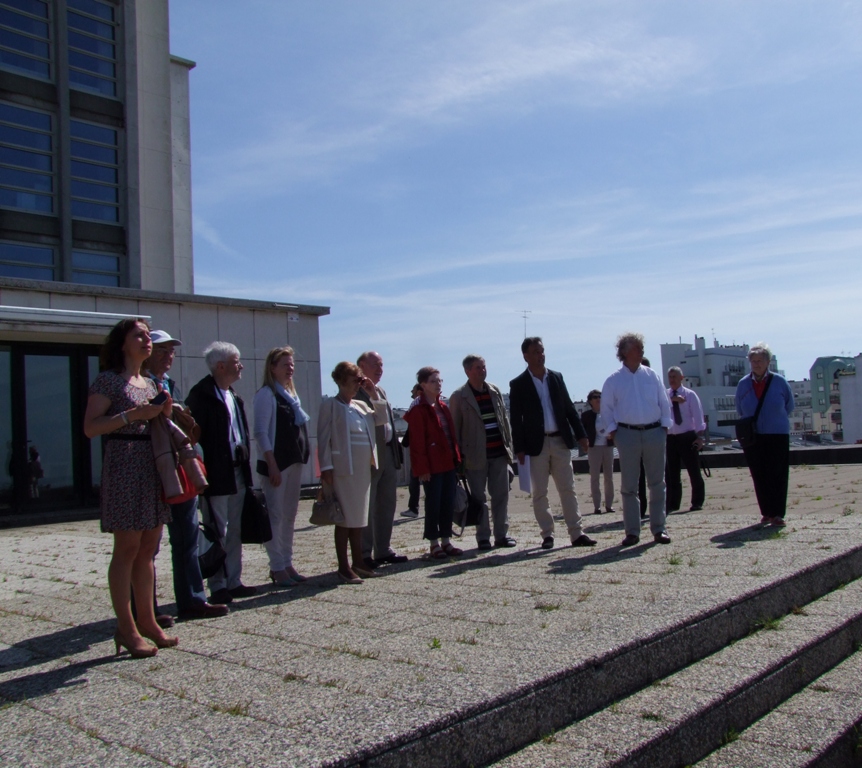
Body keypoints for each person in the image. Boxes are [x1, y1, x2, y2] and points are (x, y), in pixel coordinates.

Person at [83, 318, 178, 658]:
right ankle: (125, 627)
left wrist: (163, 413)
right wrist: (131, 416)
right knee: (126, 547)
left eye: (147, 334)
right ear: (122, 343)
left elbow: (157, 423)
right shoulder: (108, 381)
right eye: (138, 334)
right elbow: (91, 428)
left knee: (149, 547)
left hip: (150, 464)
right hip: (123, 463)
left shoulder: (151, 382)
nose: (146, 339)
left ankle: (148, 622)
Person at [144, 330, 228, 622]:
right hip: (153, 470)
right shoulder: (141, 385)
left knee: (187, 537)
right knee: (147, 546)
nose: (168, 356)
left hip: (180, 470)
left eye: (171, 351)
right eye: (162, 350)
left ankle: (192, 599)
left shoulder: (171, 385)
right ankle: (145, 610)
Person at [186, 342, 257, 605]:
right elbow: (193, 438)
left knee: (235, 528)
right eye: (236, 361)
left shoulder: (234, 396)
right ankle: (217, 585)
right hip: (216, 473)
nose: (241, 366)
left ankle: (234, 581)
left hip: (238, 470)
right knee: (219, 530)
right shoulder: (201, 395)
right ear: (220, 366)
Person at [509, 337, 596, 550]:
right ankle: (547, 534)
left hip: (560, 441)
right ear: (526, 356)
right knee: (540, 492)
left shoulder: (556, 378)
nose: (541, 355)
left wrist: (581, 435)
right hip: (535, 446)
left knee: (568, 488)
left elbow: (568, 408)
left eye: (542, 350)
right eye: (536, 352)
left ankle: (577, 533)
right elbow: (516, 419)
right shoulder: (518, 384)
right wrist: (519, 448)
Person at [318, 362, 388, 583]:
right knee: (345, 519)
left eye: (360, 379)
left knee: (358, 518)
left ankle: (359, 561)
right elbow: (323, 438)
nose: (358, 383)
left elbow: (382, 418)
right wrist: (326, 467)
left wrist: (372, 392)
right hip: (342, 469)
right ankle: (343, 566)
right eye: (355, 379)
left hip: (361, 470)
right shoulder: (330, 405)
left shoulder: (360, 406)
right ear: (341, 380)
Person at [601, 333, 672, 547]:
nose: (642, 351)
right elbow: (606, 409)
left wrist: (665, 427)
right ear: (624, 352)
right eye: (638, 347)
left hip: (654, 432)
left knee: (657, 482)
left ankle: (659, 528)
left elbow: (664, 401)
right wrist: (614, 432)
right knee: (629, 485)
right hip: (627, 434)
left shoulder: (652, 376)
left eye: (642, 347)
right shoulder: (613, 380)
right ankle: (632, 531)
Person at [253, 346, 311, 588]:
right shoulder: (267, 394)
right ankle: (276, 566)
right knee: (275, 516)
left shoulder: (292, 397)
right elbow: (261, 432)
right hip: (277, 464)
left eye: (292, 364)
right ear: (272, 368)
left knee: (289, 516)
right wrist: (272, 464)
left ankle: (287, 562)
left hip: (294, 462)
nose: (290, 369)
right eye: (285, 364)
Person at [449, 354, 516, 550]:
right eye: (477, 368)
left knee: (501, 496)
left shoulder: (494, 391)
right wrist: (458, 460)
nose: (482, 371)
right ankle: (483, 537)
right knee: (479, 498)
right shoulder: (459, 396)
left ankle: (501, 535)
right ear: (467, 371)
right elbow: (455, 429)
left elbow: (504, 421)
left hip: (498, 453)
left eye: (484, 367)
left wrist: (509, 449)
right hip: (475, 456)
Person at [404, 367, 464, 559]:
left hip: (448, 463)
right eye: (433, 381)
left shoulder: (443, 407)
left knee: (447, 503)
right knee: (433, 504)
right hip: (431, 466)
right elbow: (417, 442)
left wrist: (458, 461)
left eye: (440, 381)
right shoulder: (418, 409)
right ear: (423, 385)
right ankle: (433, 543)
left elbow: (451, 436)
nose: (438, 384)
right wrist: (422, 469)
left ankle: (446, 540)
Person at [356, 351, 408, 570]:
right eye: (375, 364)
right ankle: (363, 553)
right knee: (368, 506)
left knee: (387, 504)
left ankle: (383, 550)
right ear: (361, 367)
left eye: (382, 365)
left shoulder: (381, 391)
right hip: (369, 455)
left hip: (387, 452)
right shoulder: (356, 392)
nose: (380, 369)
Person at [735, 343, 794, 527]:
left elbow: (789, 405)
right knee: (759, 474)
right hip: (754, 436)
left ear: (768, 362)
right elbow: (739, 407)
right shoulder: (744, 384)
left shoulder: (779, 382)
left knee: (777, 473)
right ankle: (766, 512)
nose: (756, 364)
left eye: (760, 360)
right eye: (753, 361)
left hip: (777, 434)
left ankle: (777, 513)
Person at [666, 366, 707, 514]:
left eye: (675, 377)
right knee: (671, 473)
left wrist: (700, 437)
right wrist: (672, 400)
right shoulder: (665, 396)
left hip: (687, 436)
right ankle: (673, 503)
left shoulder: (690, 395)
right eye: (670, 377)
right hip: (671, 437)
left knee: (693, 471)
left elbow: (698, 417)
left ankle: (697, 501)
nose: (672, 380)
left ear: (681, 378)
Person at [580, 390, 615, 515]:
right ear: (590, 401)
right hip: (594, 448)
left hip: (608, 447)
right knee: (595, 477)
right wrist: (585, 444)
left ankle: (609, 505)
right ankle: (597, 506)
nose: (598, 399)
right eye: (595, 397)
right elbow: (581, 431)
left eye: (600, 396)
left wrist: (613, 435)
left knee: (609, 477)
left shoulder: (609, 413)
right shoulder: (586, 415)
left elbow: (616, 426)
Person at [400, 383, 423, 519]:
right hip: (420, 447)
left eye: (413, 390)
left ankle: (413, 508)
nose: (411, 392)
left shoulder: (416, 404)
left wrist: (406, 441)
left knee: (415, 478)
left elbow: (413, 426)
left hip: (418, 448)